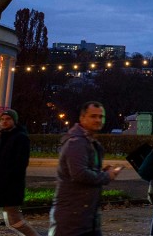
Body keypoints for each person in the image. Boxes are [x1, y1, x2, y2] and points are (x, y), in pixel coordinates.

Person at [49, 101, 122, 236]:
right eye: (93, 116)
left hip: (85, 217)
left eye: (101, 117)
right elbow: (80, 174)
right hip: (72, 219)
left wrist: (101, 172)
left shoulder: (89, 142)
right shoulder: (77, 142)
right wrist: (107, 176)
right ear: (82, 118)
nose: (98, 120)